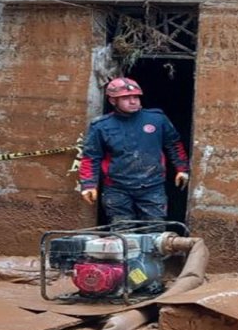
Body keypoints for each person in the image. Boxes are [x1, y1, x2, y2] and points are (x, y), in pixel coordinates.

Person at [79, 77, 189, 222]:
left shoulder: (156, 119)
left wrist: (182, 169)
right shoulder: (101, 126)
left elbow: (174, 144)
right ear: (113, 101)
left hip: (152, 186)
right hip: (117, 188)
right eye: (126, 98)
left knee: (154, 230)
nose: (133, 101)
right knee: (122, 231)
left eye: (136, 97)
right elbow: (91, 157)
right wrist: (89, 185)